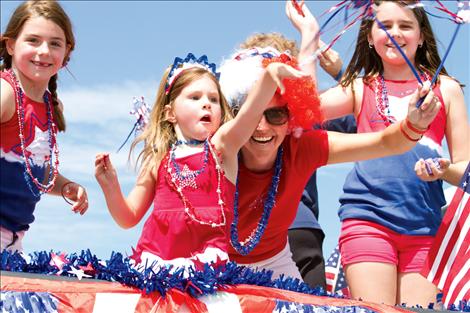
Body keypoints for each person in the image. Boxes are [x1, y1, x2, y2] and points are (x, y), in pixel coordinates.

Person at [218, 0, 440, 286]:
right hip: (219, 261)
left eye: (276, 113)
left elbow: (385, 140)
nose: (261, 126)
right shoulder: (218, 149)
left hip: (284, 255)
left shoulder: (303, 146)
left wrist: (414, 124)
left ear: (291, 117)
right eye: (249, 113)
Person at [316, 0, 469, 306]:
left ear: (422, 35)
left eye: (406, 25)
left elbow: (465, 169)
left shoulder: (447, 89)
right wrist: (309, 38)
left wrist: (443, 169)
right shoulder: (359, 87)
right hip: (367, 220)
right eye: (384, 26)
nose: (395, 33)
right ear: (369, 37)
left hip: (426, 227)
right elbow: (308, 109)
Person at [94, 53, 307, 269]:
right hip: (155, 266)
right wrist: (110, 186)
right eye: (195, 97)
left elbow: (249, 114)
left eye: (213, 99)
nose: (206, 104)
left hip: (205, 271)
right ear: (170, 113)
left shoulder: (222, 147)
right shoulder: (157, 159)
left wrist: (269, 78)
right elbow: (128, 217)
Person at [238, 29, 356, 289]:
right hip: (298, 228)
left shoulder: (234, 122)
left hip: (243, 233)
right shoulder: (310, 114)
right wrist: (340, 74)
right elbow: (368, 119)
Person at [0, 0, 89, 253]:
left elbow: (30, 167)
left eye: (55, 43)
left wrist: (65, 186)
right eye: (33, 40)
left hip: (13, 244)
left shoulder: (50, 106)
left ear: (66, 53)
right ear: (10, 44)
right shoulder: (5, 93)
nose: (44, 51)